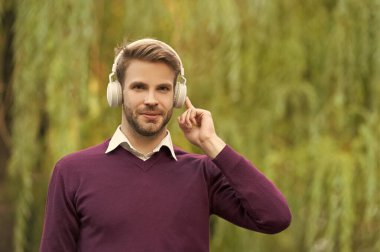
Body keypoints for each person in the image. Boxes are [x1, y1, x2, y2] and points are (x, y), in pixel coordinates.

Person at [40, 38, 291, 252]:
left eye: (162, 89)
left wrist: (211, 143)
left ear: (177, 96)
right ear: (117, 92)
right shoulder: (72, 171)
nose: (151, 100)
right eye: (139, 87)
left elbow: (275, 217)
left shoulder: (203, 173)